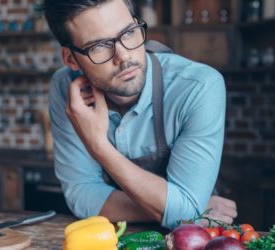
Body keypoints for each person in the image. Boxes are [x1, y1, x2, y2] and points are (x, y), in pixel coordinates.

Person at [43, 0, 237, 229]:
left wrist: (98, 146)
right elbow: (81, 195)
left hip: (195, 239)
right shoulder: (65, 88)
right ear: (70, 59)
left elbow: (185, 210)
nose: (124, 56)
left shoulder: (198, 86)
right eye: (99, 46)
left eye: (129, 32)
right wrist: (184, 209)